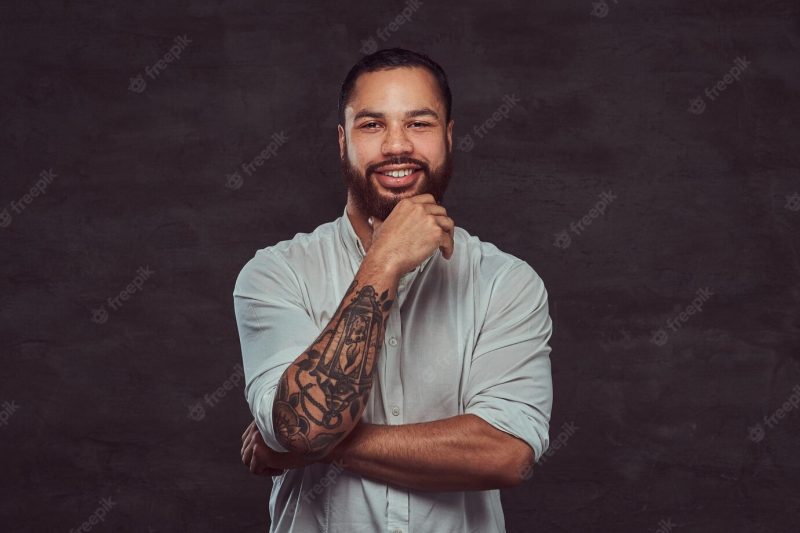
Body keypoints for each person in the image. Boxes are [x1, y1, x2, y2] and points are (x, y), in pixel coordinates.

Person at [234, 47, 553, 533]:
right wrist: (383, 261)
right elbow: (307, 426)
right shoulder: (275, 274)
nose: (397, 145)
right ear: (343, 141)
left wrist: (304, 445)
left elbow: (505, 455)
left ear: (449, 136)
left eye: (419, 124)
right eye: (372, 125)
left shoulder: (507, 283)